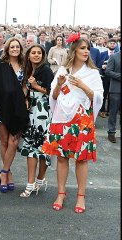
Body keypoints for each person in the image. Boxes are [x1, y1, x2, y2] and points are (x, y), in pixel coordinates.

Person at [41, 34, 103, 213]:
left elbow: (98, 98)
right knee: (61, 157)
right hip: (62, 119)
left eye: (87, 48)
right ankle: (61, 193)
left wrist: (83, 85)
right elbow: (53, 97)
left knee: (81, 159)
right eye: (83, 48)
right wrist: (59, 85)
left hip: (82, 120)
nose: (86, 51)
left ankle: (80, 196)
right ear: (74, 50)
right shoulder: (62, 70)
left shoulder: (92, 73)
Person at [0, 37, 28, 193]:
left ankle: (3, 172)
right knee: (4, 141)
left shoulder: (25, 65)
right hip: (1, 108)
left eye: (17, 47)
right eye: (12, 47)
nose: (15, 49)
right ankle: (7, 173)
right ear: (7, 49)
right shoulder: (0, 65)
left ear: (20, 49)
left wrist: (25, 99)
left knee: (14, 142)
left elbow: (25, 86)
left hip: (18, 108)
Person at [20, 44, 54, 197]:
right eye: (33, 53)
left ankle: (40, 180)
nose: (36, 55)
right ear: (28, 55)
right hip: (31, 110)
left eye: (39, 53)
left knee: (41, 147)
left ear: (43, 55)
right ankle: (30, 183)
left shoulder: (46, 70)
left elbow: (52, 92)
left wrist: (35, 86)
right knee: (30, 147)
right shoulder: (29, 69)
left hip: (43, 111)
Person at [106, 50, 121, 143]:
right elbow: (108, 71)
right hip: (116, 89)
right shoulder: (114, 56)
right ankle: (111, 133)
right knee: (113, 112)